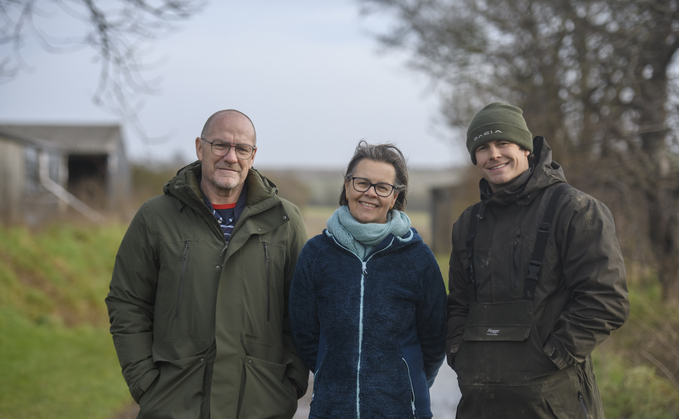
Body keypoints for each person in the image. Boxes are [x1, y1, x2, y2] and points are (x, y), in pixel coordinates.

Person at [105, 109, 309, 419]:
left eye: (242, 148)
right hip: (174, 404)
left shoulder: (285, 221)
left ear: (253, 156)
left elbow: (301, 309)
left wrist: (290, 383)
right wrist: (144, 383)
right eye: (220, 145)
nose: (231, 157)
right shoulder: (156, 217)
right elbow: (127, 301)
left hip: (260, 405)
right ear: (200, 148)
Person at [446, 102, 630, 418]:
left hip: (554, 403)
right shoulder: (468, 223)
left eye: (503, 143)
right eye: (483, 148)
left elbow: (606, 300)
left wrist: (552, 358)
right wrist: (460, 355)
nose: (494, 154)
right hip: (479, 404)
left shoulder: (576, 210)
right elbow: (459, 304)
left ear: (526, 148)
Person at [289, 140, 447, 419]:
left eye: (382, 187)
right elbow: (304, 334)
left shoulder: (418, 258)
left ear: (395, 196)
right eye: (362, 182)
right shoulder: (316, 254)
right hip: (331, 409)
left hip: (401, 410)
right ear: (347, 186)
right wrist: (335, 372)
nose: (370, 193)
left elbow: (435, 340)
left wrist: (405, 383)